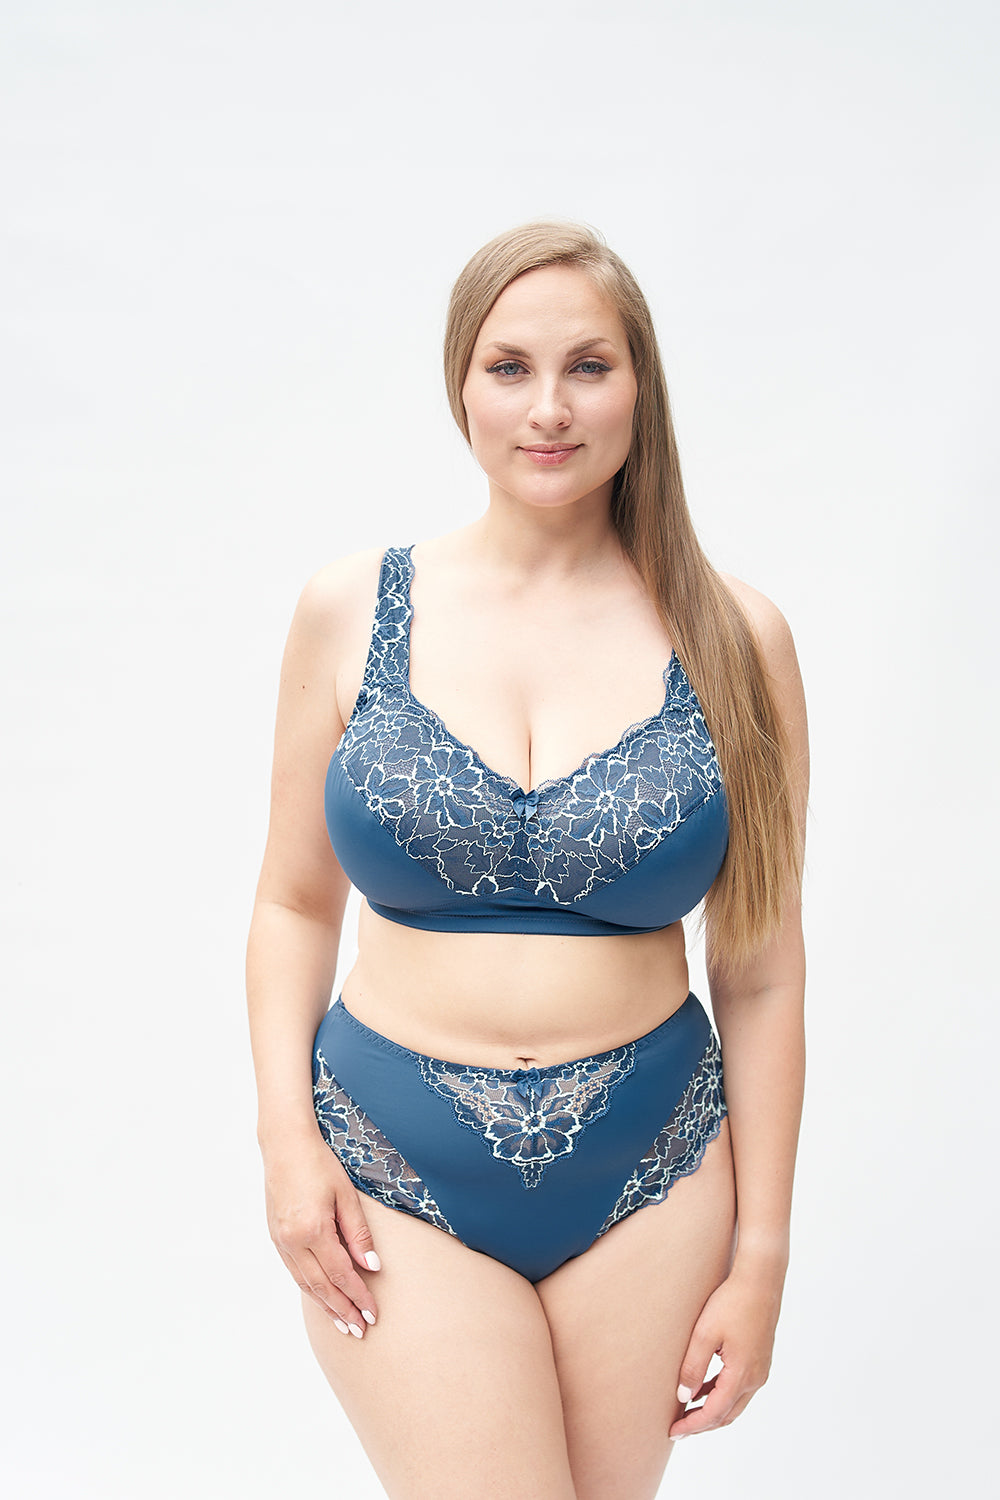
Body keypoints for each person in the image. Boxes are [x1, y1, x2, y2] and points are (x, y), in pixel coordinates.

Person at [246, 220, 808, 1500]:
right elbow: (290, 906)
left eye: (587, 367)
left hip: (655, 1173)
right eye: (509, 367)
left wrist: (761, 1259)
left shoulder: (738, 639)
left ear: (639, 385)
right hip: (391, 1168)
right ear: (460, 384)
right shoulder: (352, 609)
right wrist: (284, 1145)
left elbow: (763, 970)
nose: (548, 407)